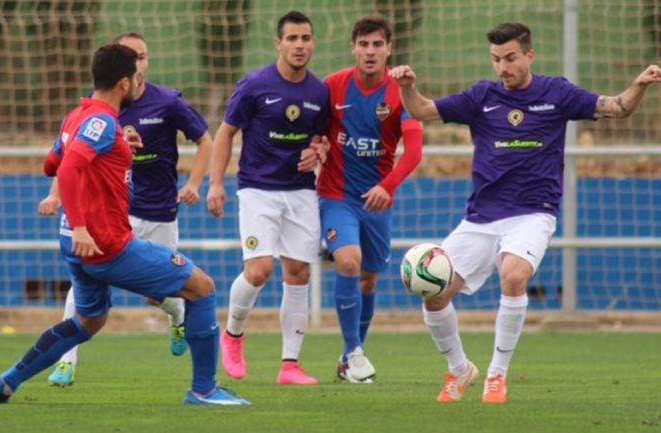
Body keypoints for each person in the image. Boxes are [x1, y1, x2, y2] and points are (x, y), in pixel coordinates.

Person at [389, 22, 661, 403]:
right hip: (481, 217)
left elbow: (616, 108)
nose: (503, 67)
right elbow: (423, 109)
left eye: (511, 58)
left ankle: (496, 376)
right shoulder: (480, 96)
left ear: (529, 56)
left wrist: (641, 84)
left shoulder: (557, 92)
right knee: (433, 294)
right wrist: (407, 86)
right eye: (496, 60)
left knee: (513, 275)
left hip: (533, 212)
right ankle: (459, 369)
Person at [0, 43, 249, 406]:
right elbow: (71, 167)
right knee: (202, 287)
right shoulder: (102, 121)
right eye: (136, 76)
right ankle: (203, 389)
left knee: (88, 322)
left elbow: (52, 162)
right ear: (124, 82)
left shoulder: (77, 117)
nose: (140, 81)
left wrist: (117, 147)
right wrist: (80, 225)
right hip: (105, 243)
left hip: (78, 246)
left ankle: (7, 381)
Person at [39, 32, 213, 387]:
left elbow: (205, 137)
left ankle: (177, 316)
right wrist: (55, 193)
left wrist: (194, 183)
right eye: (132, 56)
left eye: (143, 56)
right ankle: (65, 362)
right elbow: (73, 160)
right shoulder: (97, 111)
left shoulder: (166, 101)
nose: (139, 64)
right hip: (114, 214)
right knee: (82, 283)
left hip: (159, 210)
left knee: (158, 295)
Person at [205, 10, 329, 385]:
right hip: (258, 190)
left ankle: (289, 365)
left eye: (305, 38)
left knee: (299, 271)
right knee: (259, 270)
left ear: (313, 43)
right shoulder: (254, 84)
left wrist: (318, 152)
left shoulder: (319, 91)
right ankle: (232, 335)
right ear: (279, 43)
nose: (299, 45)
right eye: (292, 39)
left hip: (301, 192)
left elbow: (320, 138)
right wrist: (215, 183)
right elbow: (226, 133)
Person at [318, 14, 423, 384]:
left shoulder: (400, 92)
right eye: (363, 44)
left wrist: (387, 186)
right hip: (336, 195)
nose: (370, 51)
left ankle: (349, 358)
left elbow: (413, 151)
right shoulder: (332, 86)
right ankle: (355, 353)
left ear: (389, 49)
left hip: (377, 201)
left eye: (378, 44)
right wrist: (313, 148)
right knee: (348, 261)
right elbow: (311, 132)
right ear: (353, 48)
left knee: (368, 280)